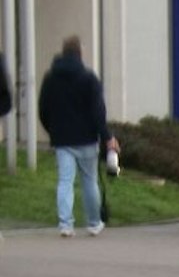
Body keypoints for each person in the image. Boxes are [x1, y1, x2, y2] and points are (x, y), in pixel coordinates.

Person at [37, 36, 119, 239]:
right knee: (89, 181)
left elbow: (43, 109)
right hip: (87, 139)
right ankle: (93, 223)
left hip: (62, 139)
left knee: (65, 181)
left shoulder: (50, 78)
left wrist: (52, 130)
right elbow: (98, 111)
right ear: (80, 53)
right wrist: (107, 137)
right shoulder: (89, 78)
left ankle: (66, 224)